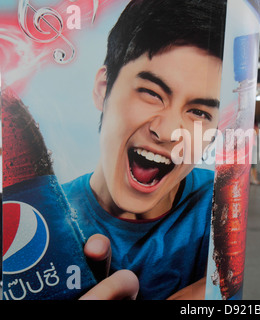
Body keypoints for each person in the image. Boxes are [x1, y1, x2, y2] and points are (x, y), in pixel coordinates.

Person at [62, 0, 227, 300]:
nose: (166, 133)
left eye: (199, 113)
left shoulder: (219, 206)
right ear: (103, 89)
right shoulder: (41, 220)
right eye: (152, 93)